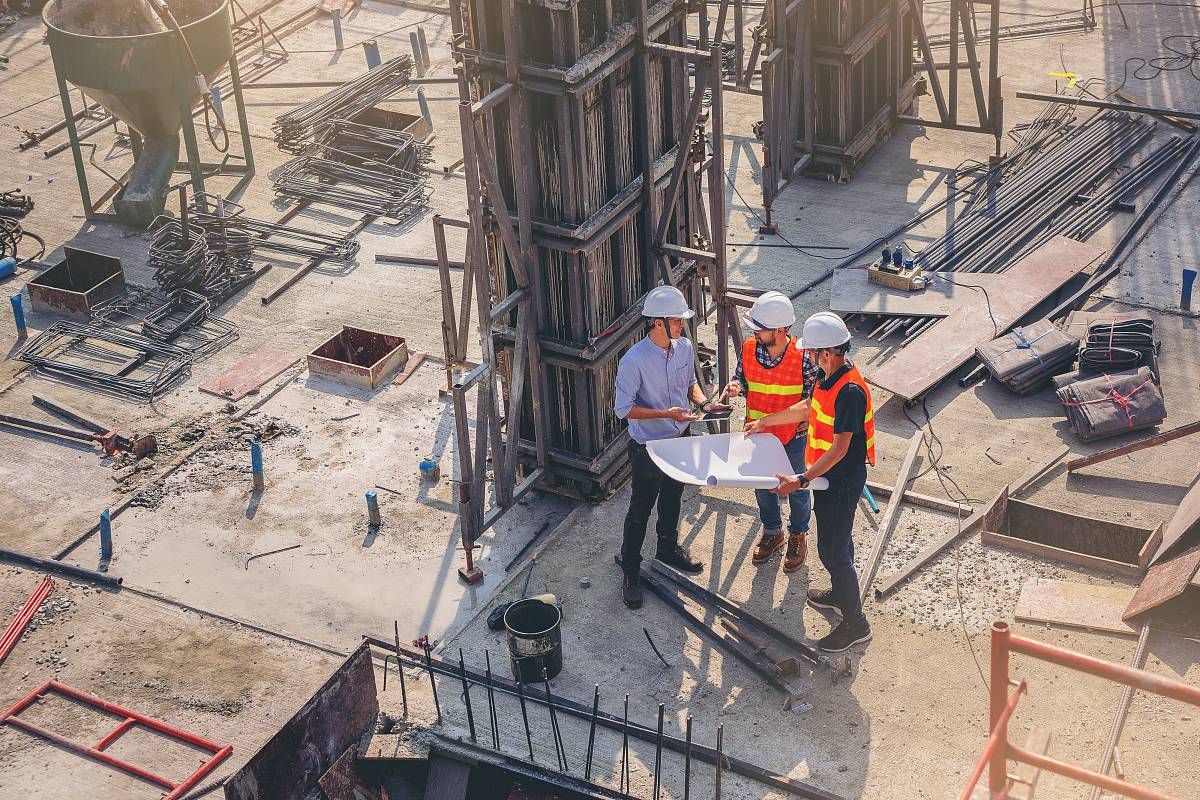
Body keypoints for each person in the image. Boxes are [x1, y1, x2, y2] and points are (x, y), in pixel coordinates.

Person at [751, 312, 876, 652]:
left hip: (841, 480)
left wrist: (801, 479)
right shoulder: (828, 378)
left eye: (810, 352)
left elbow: (840, 448)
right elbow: (809, 408)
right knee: (837, 546)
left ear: (826, 352)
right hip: (827, 477)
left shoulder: (849, 391)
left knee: (833, 552)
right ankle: (839, 594)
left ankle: (856, 624)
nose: (806, 357)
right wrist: (767, 422)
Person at [613, 285, 725, 609]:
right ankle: (630, 570)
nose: (681, 325)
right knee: (640, 509)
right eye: (676, 320)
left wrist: (705, 403)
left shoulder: (685, 348)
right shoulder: (633, 362)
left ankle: (667, 547)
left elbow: (689, 384)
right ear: (658, 322)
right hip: (648, 446)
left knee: (675, 495)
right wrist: (665, 413)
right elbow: (623, 409)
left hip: (680, 438)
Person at [727, 291, 820, 573]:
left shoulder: (803, 356)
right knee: (763, 486)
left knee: (798, 488)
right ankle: (772, 532)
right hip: (759, 432)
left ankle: (798, 534)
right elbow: (741, 377)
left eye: (760, 327)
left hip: (794, 435)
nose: (754, 330)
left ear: (780, 330)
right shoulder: (748, 347)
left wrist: (804, 421)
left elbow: (812, 399)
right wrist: (735, 386)